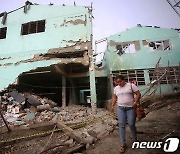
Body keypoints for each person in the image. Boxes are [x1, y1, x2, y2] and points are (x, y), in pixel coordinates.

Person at [111, 75, 141, 153]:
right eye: (117, 82)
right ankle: (123, 143)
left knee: (131, 124)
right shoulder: (116, 88)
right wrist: (112, 105)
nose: (119, 83)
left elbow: (138, 94)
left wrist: (135, 102)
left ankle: (135, 139)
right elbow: (114, 97)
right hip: (121, 108)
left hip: (130, 108)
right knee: (121, 125)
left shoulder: (131, 85)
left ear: (124, 80)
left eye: (120, 81)